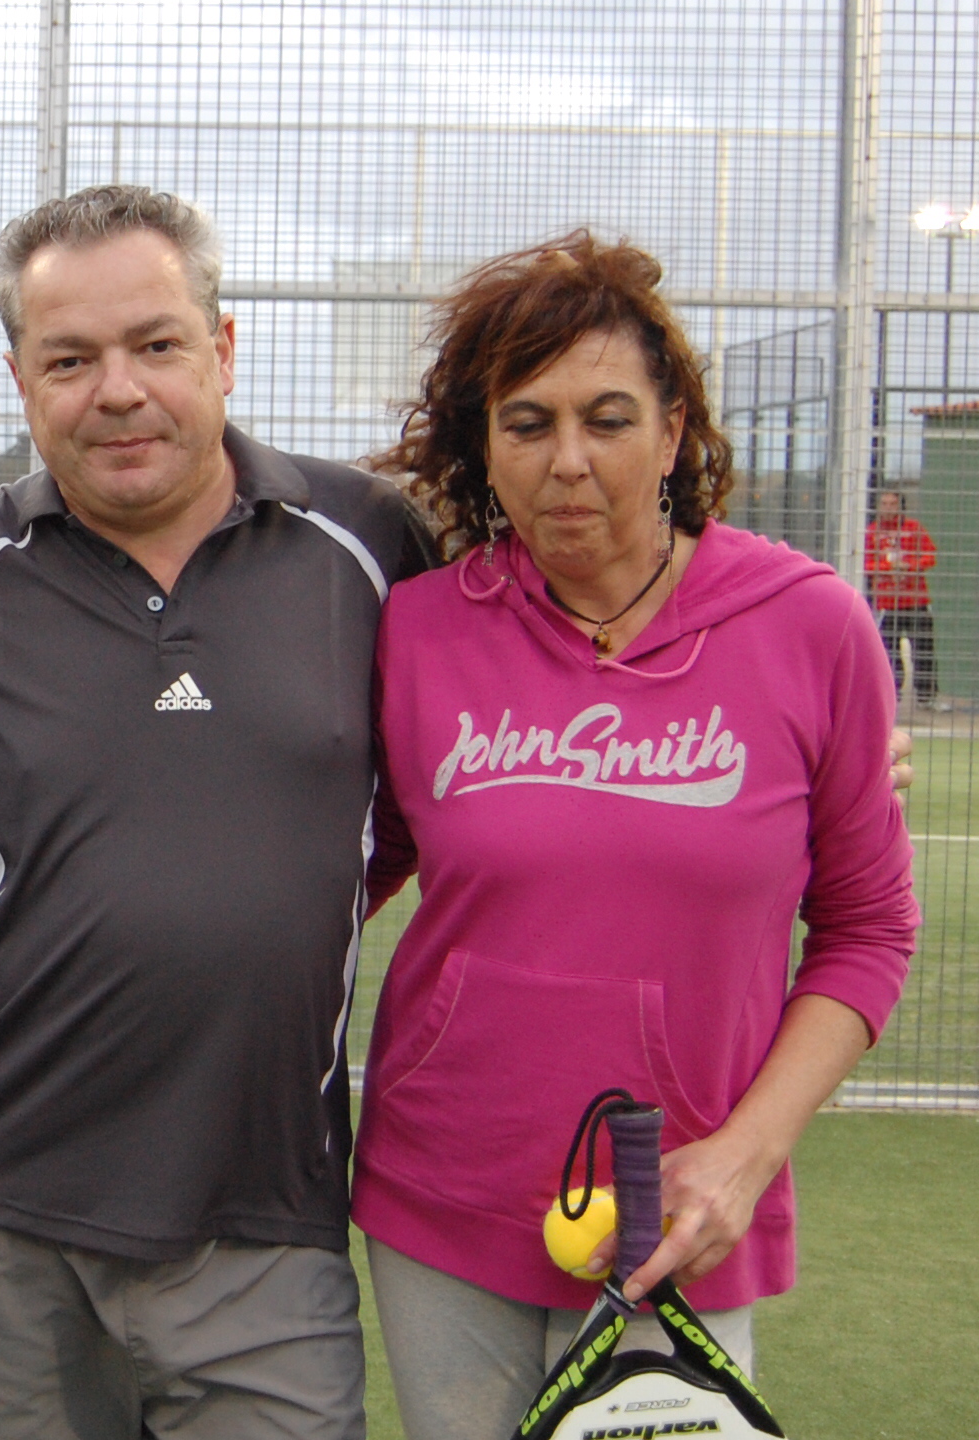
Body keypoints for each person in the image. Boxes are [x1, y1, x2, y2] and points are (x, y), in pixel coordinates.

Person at [0, 185, 433, 1440]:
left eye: (156, 344)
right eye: (70, 359)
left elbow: (466, 761)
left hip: (268, 1215)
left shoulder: (371, 543)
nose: (117, 391)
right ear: (22, 381)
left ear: (222, 349)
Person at [353, 233, 917, 1440]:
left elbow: (870, 931)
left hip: (677, 1214)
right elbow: (350, 861)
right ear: (483, 447)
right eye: (527, 423)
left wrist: (745, 1158)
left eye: (607, 419)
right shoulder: (417, 633)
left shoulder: (811, 629)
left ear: (672, 436)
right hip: (441, 1190)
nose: (568, 460)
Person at [866, 488, 944, 710]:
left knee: (923, 649)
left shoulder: (913, 529)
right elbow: (865, 563)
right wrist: (889, 567)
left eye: (892, 504)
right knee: (886, 651)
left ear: (900, 507)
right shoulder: (872, 532)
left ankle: (927, 697)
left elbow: (930, 556)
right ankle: (892, 695)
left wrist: (910, 566)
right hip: (887, 603)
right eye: (884, 504)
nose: (888, 508)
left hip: (915, 600)